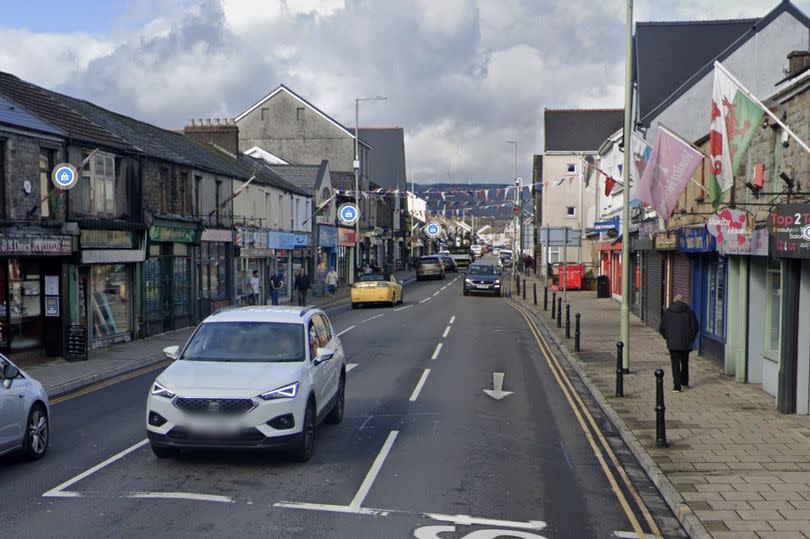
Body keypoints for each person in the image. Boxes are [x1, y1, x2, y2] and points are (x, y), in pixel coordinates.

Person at [659, 294, 699, 393]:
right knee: (685, 362)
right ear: (683, 300)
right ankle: (684, 382)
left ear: (674, 300)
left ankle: (677, 387)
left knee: (675, 364)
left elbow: (662, 328)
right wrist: (691, 339)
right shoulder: (689, 312)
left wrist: (667, 338)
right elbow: (695, 327)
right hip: (686, 342)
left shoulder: (668, 312)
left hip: (673, 343)